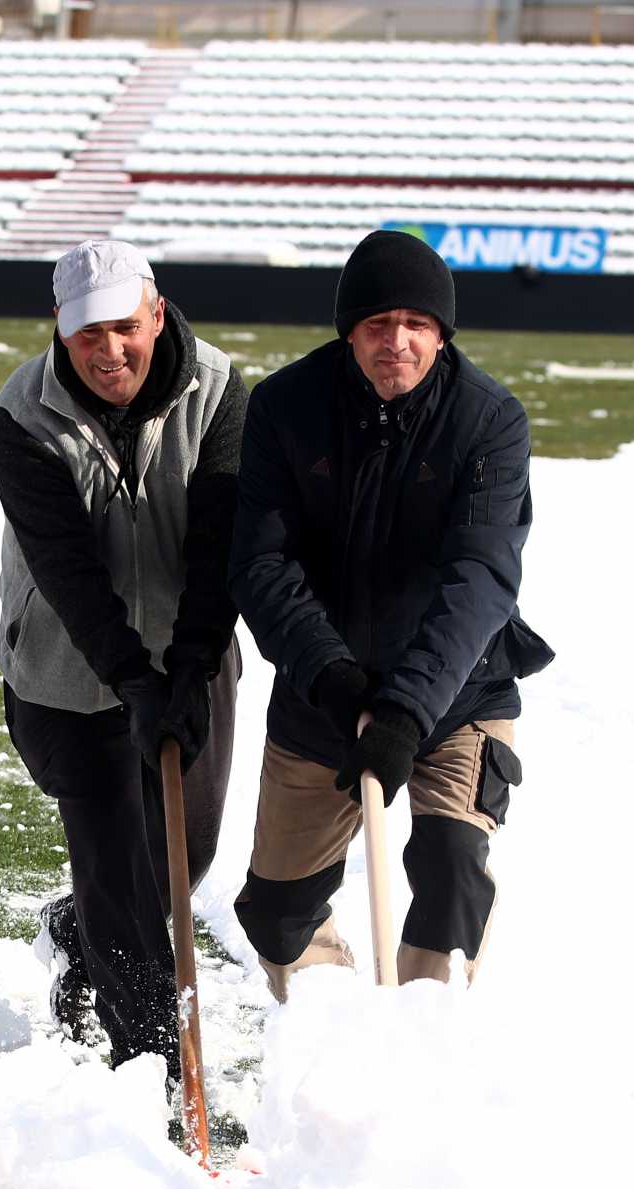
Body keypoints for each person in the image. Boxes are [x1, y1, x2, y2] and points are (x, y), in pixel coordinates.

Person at [228, 228, 553, 995]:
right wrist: (335, 680)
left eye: (416, 325)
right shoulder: (285, 408)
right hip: (325, 697)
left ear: (442, 333)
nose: (396, 342)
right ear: (350, 331)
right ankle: (333, 1023)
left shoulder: (488, 420)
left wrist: (406, 708)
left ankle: (419, 1047)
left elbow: (480, 574)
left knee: (449, 883)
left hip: (456, 693)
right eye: (378, 324)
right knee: (277, 914)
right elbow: (260, 564)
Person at [0, 239, 247, 1066]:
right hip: (66, 671)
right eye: (85, 335)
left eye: (124, 327)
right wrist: (132, 680)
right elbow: (69, 573)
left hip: (189, 654)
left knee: (182, 859)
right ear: (60, 334)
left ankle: (75, 925)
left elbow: (221, 544)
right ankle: (158, 1072)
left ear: (157, 312)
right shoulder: (22, 417)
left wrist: (191, 667)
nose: (108, 351)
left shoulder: (222, 392)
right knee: (123, 877)